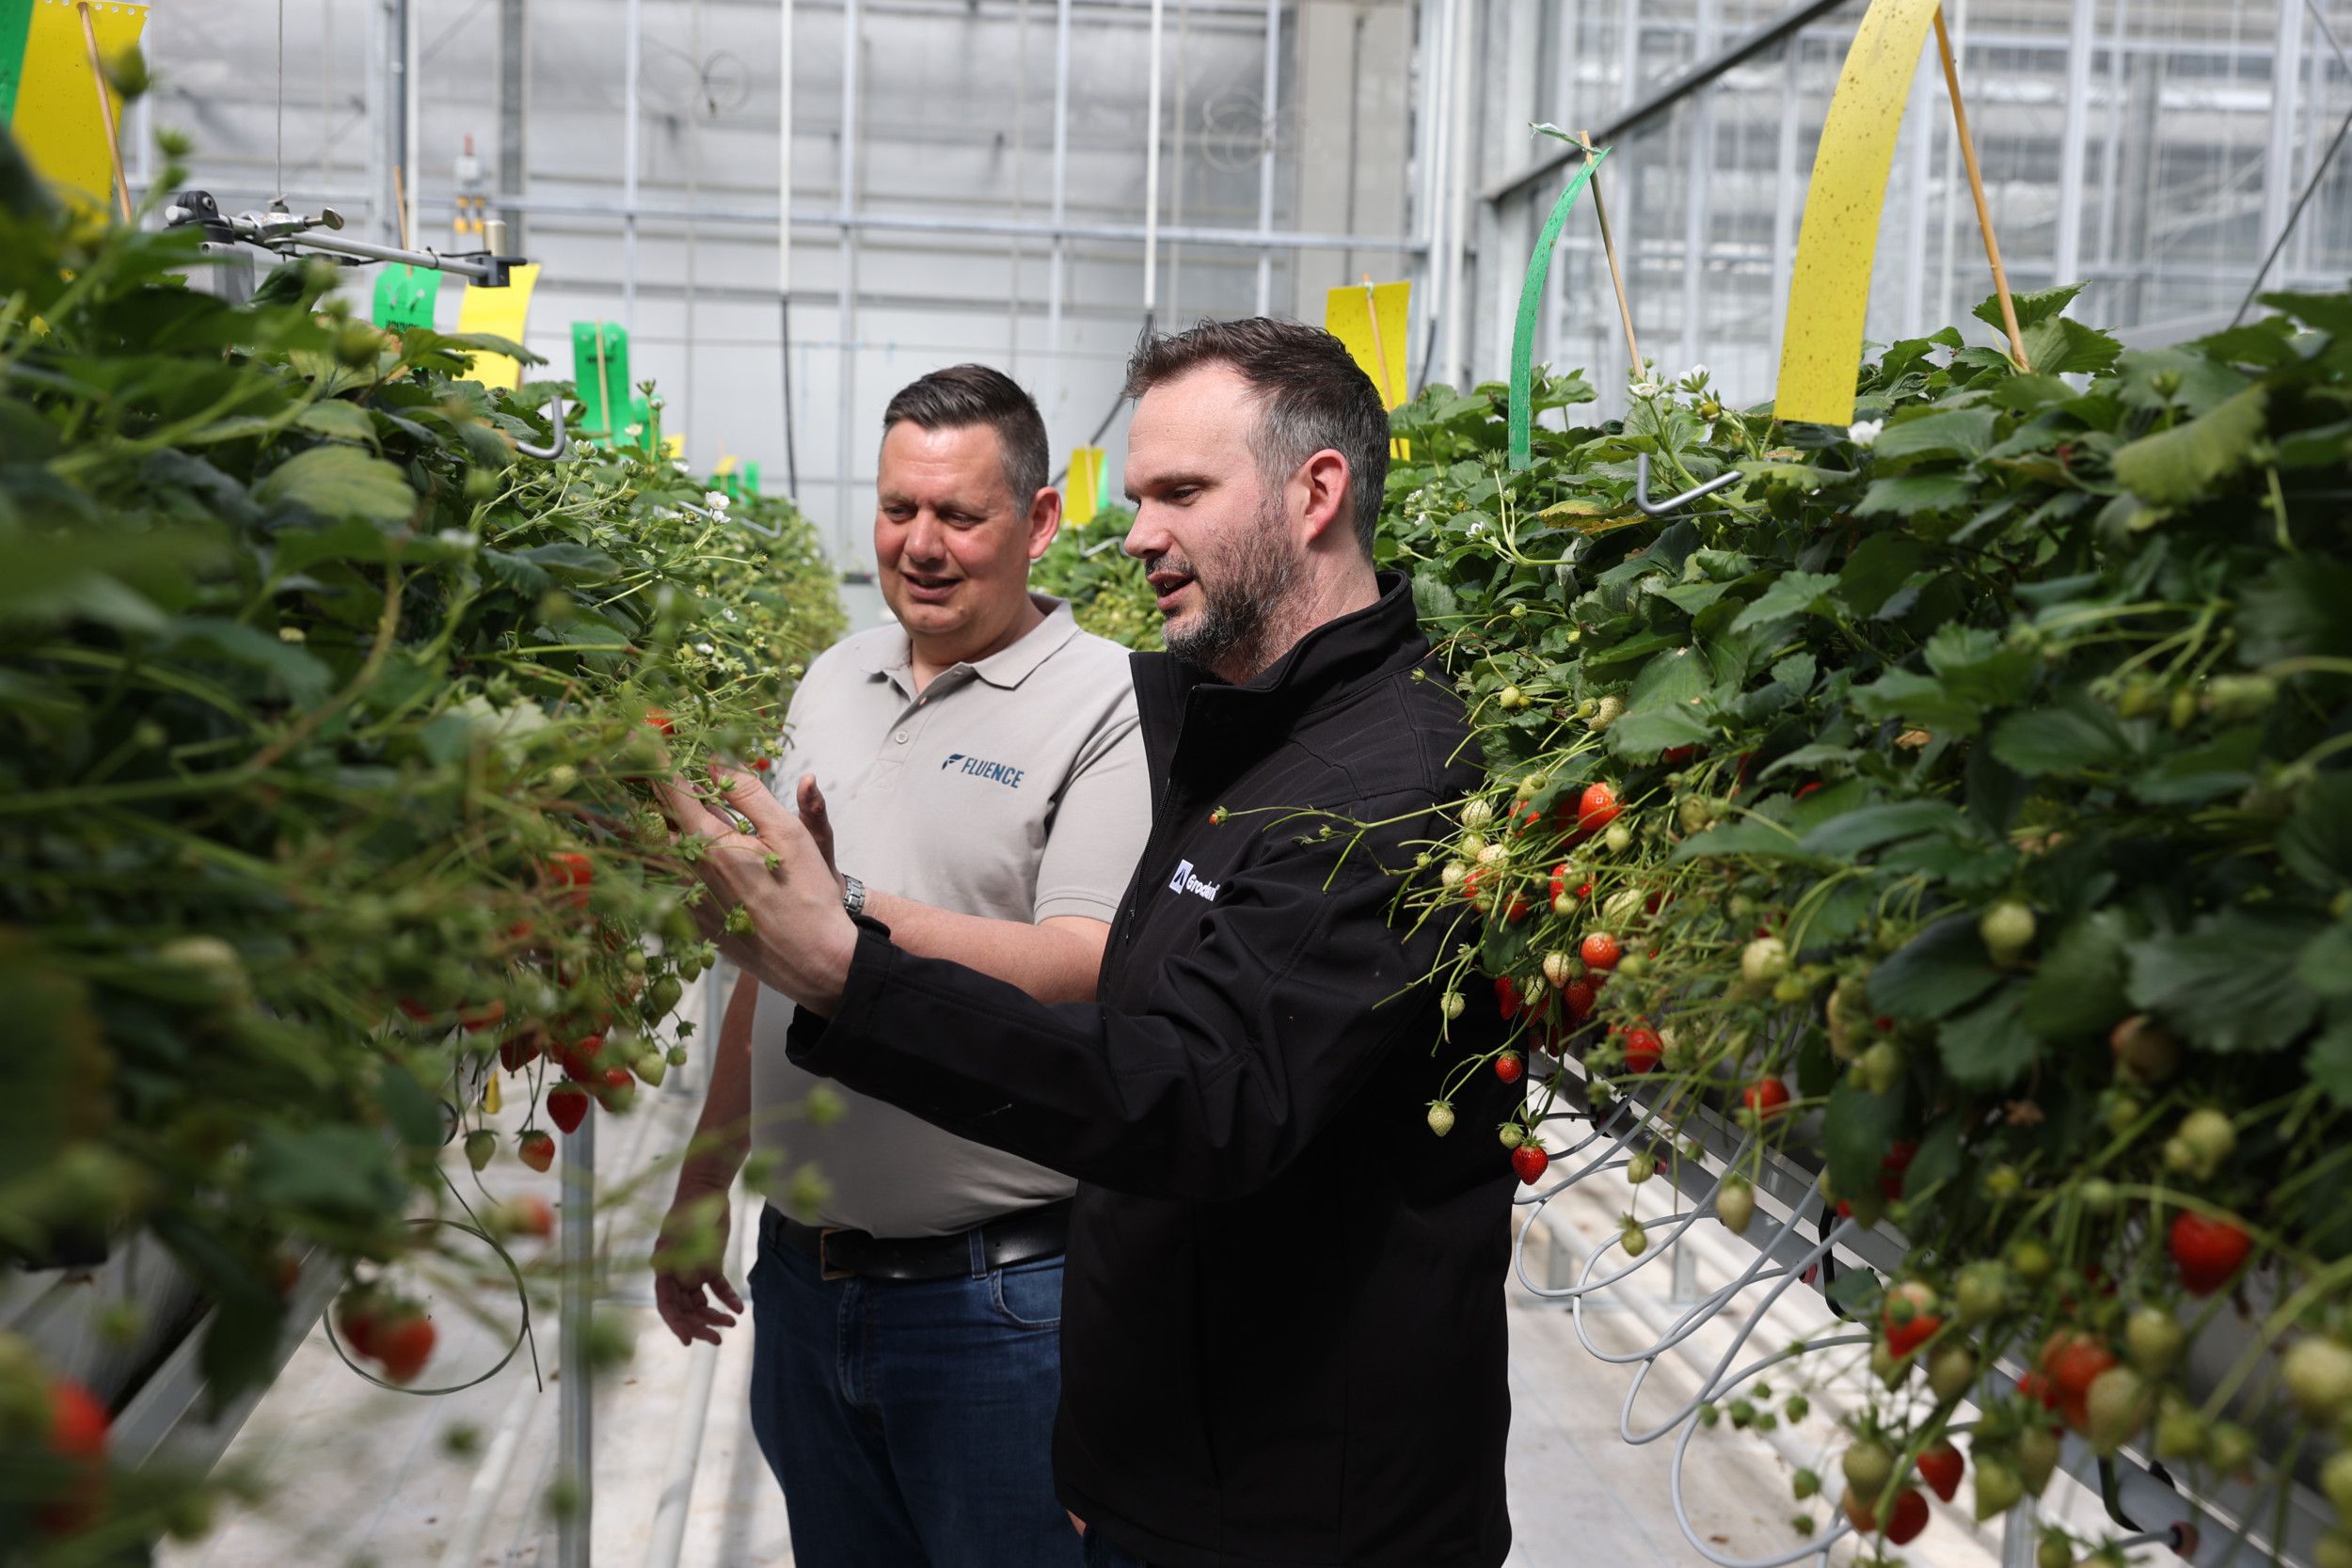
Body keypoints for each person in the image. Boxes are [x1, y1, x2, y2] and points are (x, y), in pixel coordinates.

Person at [660, 319, 1518, 1568]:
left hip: (1288, 1500)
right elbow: (1157, 1045)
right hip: (1163, 1448)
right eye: (897, 506)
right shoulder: (1236, 733)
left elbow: (1188, 1092)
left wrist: (850, 958)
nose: (1143, 533)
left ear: (1315, 491)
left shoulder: (1376, 781)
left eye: (1180, 492)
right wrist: (1107, 1440)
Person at [652, 363, 1152, 1568]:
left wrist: (845, 908)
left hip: (999, 1304)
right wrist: (701, 1181)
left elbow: (1082, 965)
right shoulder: (833, 675)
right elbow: (776, 961)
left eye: (958, 516)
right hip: (806, 1281)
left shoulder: (1112, 702)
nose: (920, 544)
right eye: (897, 509)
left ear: (1037, 521)